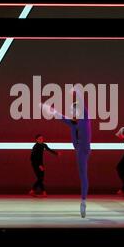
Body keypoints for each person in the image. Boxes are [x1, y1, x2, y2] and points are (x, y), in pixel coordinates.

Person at [41, 88, 91, 218]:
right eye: (71, 112)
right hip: (79, 150)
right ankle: (83, 201)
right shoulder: (72, 123)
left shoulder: (85, 118)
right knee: (82, 175)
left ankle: (83, 201)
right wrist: (45, 106)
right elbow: (58, 115)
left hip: (84, 149)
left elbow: (81, 101)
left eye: (73, 111)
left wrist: (76, 90)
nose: (71, 113)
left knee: (83, 175)